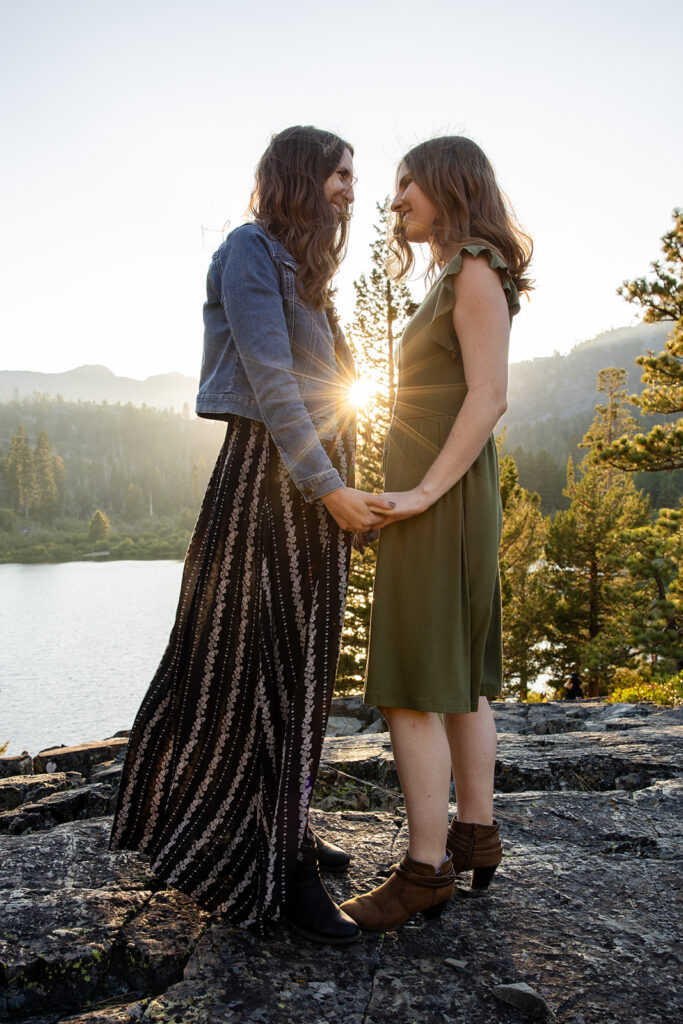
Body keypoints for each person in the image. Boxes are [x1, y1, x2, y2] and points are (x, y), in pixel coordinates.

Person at [109, 126, 391, 945]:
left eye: (354, 176)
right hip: (269, 482)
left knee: (300, 672)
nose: (350, 188)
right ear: (303, 175)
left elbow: (335, 388)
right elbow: (272, 383)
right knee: (254, 670)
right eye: (341, 173)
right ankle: (279, 877)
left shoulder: (307, 271)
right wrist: (329, 486)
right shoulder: (248, 251)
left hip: (309, 479)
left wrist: (347, 479)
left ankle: (288, 828)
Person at [340, 136, 533, 931]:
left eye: (406, 184)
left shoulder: (475, 268)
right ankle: (474, 833)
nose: (394, 202)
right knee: (454, 672)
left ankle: (425, 870)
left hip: (442, 497)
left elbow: (488, 397)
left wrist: (420, 492)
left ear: (447, 183)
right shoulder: (457, 270)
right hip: (441, 496)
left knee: (414, 681)